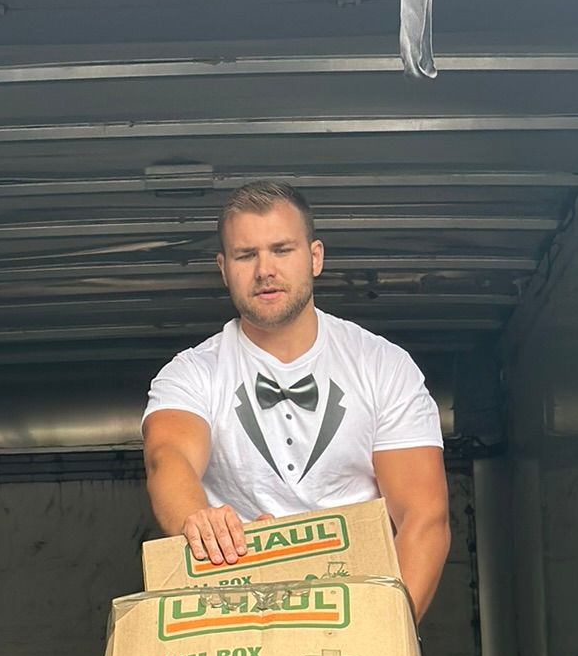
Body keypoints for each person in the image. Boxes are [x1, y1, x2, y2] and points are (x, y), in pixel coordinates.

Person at [142, 181, 451, 619]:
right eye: (246, 255)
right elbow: (166, 456)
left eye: (282, 250)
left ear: (315, 257)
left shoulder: (383, 364)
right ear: (224, 268)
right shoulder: (192, 371)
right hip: (235, 612)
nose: (264, 269)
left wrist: (388, 638)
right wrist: (197, 517)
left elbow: (424, 518)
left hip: (358, 608)